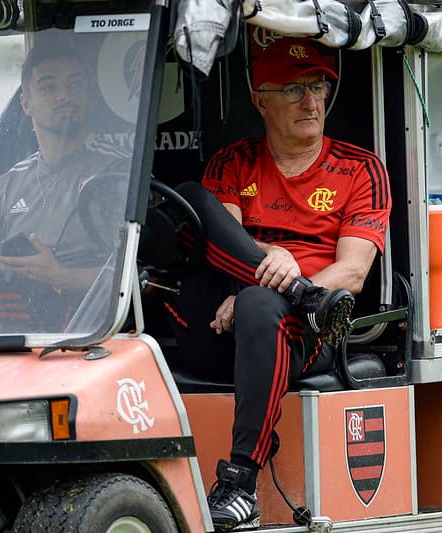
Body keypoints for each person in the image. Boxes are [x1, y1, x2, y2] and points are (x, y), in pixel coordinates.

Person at [156, 37, 391, 531]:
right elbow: (223, 243)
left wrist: (278, 291)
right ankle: (288, 292)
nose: (311, 101)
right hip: (225, 320)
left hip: (309, 328)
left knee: (262, 303)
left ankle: (239, 484)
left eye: (318, 86)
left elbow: (352, 273)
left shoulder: (360, 169)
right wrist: (274, 264)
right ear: (260, 99)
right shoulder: (234, 163)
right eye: (293, 89)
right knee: (193, 199)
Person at [0, 44, 129, 333]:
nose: (64, 96)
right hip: (17, 318)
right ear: (26, 103)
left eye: (75, 85)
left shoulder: (119, 172)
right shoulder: (5, 186)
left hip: (92, 325)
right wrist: (26, 270)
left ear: (88, 96)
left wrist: (60, 276)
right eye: (49, 86)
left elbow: (144, 280)